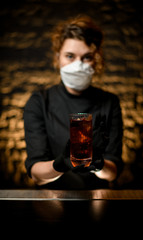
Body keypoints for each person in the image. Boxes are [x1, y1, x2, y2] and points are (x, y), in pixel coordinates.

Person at [24, 15, 123, 189]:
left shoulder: (109, 102)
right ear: (57, 58)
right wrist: (59, 165)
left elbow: (112, 172)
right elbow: (36, 174)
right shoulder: (39, 102)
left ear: (96, 60)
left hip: (97, 198)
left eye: (86, 57)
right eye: (70, 56)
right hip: (51, 199)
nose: (78, 65)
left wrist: (99, 165)